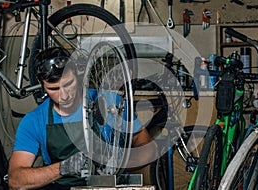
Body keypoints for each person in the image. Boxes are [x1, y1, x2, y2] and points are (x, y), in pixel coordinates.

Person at [8, 47, 157, 190]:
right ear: (41, 85)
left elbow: (148, 149)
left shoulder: (110, 103)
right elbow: (16, 180)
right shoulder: (34, 121)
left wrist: (119, 163)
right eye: (54, 89)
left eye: (69, 84)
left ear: (78, 74)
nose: (64, 95)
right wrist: (62, 168)